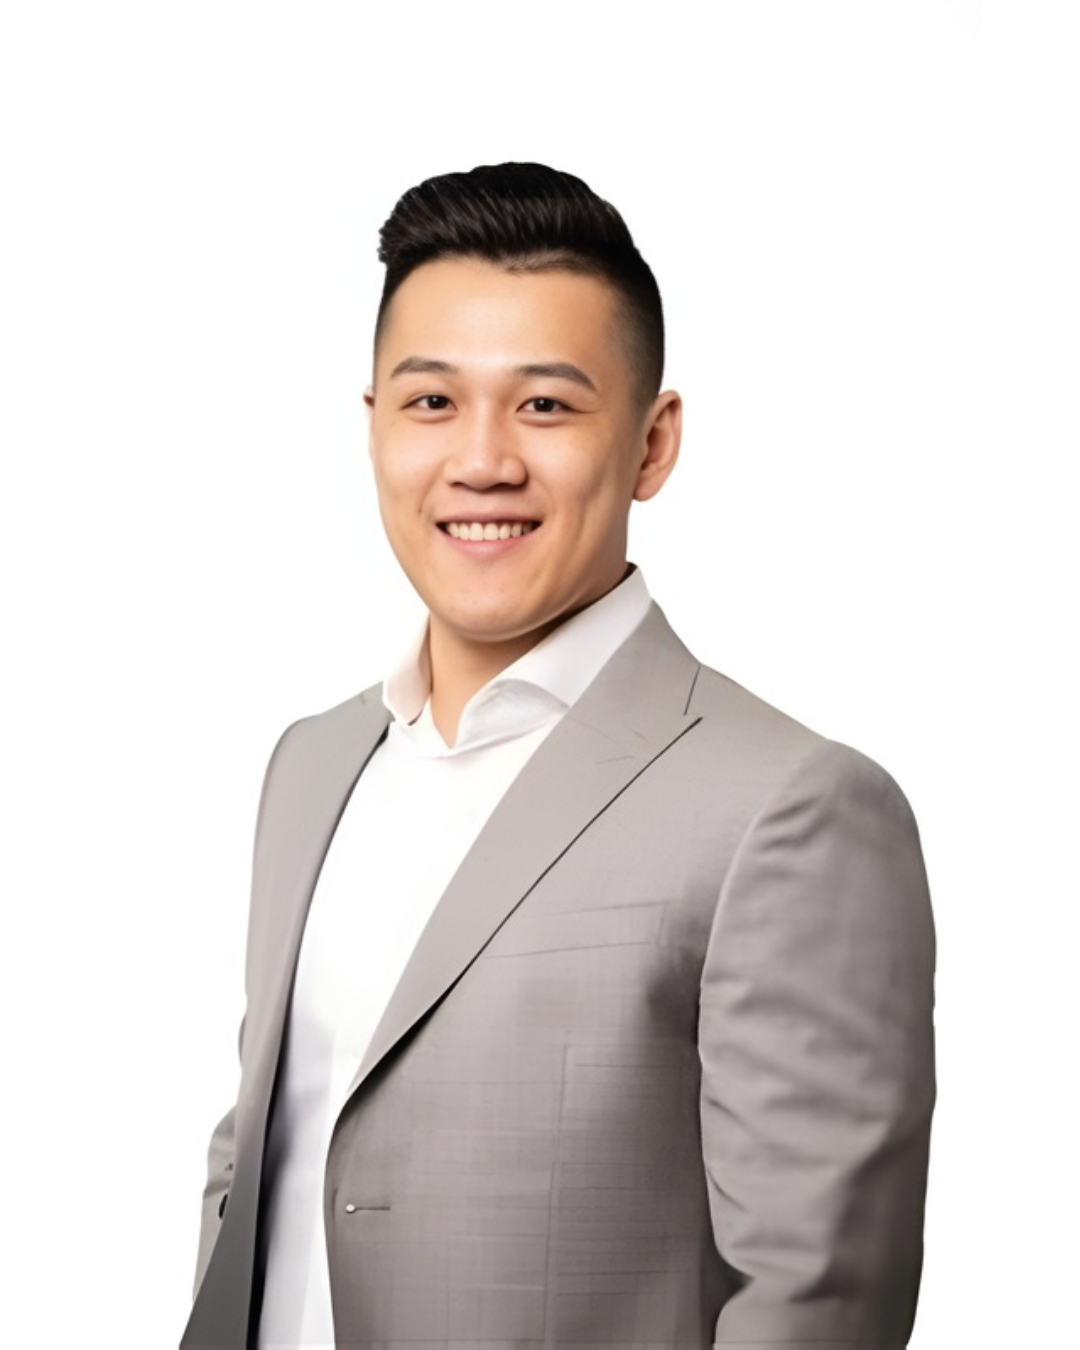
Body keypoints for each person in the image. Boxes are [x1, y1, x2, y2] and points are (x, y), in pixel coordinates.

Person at [181, 163, 935, 1350]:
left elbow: (816, 1302)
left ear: (652, 443)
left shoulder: (788, 809)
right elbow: (262, 1155)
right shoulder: (312, 766)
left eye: (545, 406)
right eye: (431, 403)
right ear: (372, 423)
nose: (481, 461)